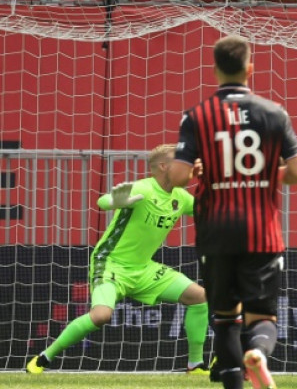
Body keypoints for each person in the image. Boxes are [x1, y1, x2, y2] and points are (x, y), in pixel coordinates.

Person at [168, 34, 297, 389]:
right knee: (262, 317)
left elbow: (178, 175)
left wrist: (202, 169)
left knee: (224, 320)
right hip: (261, 232)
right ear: (251, 68)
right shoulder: (273, 113)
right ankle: (259, 355)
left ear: (215, 69)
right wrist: (268, 173)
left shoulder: (197, 116)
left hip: (215, 232)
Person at [26, 144, 210, 376]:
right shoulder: (143, 188)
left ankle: (195, 365)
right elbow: (103, 202)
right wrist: (115, 202)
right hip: (111, 263)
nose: (186, 164)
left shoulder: (180, 197)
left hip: (143, 269)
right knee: (101, 316)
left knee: (199, 297)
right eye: (180, 160)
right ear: (164, 166)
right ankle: (45, 357)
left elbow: (209, 209)